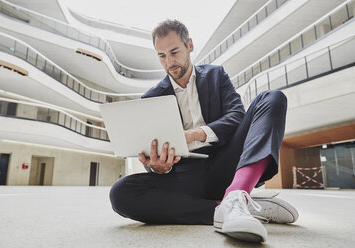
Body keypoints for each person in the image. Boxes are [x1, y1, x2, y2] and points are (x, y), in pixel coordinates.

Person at [109, 19, 298, 243]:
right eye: (161, 56)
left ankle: (238, 193)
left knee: (272, 98)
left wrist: (196, 134)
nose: (169, 62)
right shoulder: (151, 98)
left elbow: (237, 116)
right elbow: (152, 153)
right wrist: (160, 169)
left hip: (224, 165)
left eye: (174, 52)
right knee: (121, 193)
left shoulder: (216, 76)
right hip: (183, 177)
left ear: (189, 45)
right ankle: (227, 208)